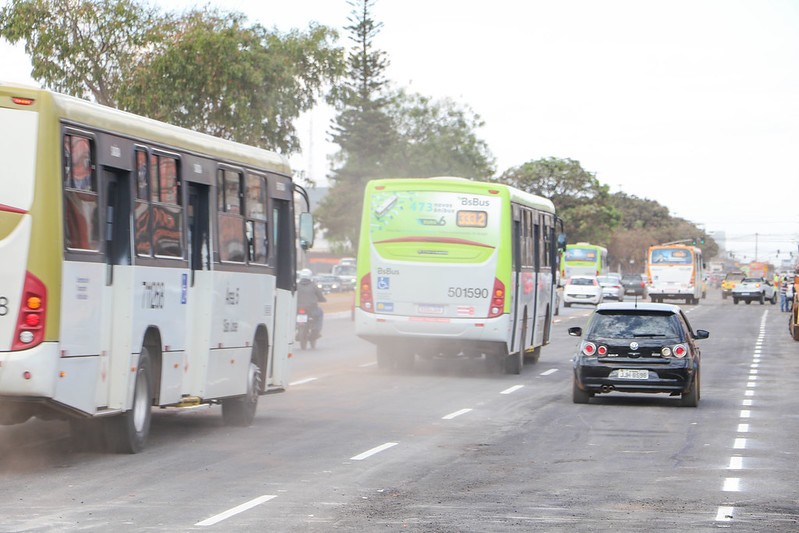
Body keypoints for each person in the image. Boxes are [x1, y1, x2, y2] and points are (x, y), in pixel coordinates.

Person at [297, 269, 326, 337]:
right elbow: (320, 295)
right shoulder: (313, 286)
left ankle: (297, 328)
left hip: (298, 308)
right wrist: (323, 299)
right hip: (312, 308)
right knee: (320, 313)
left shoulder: (296, 286)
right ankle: (317, 330)